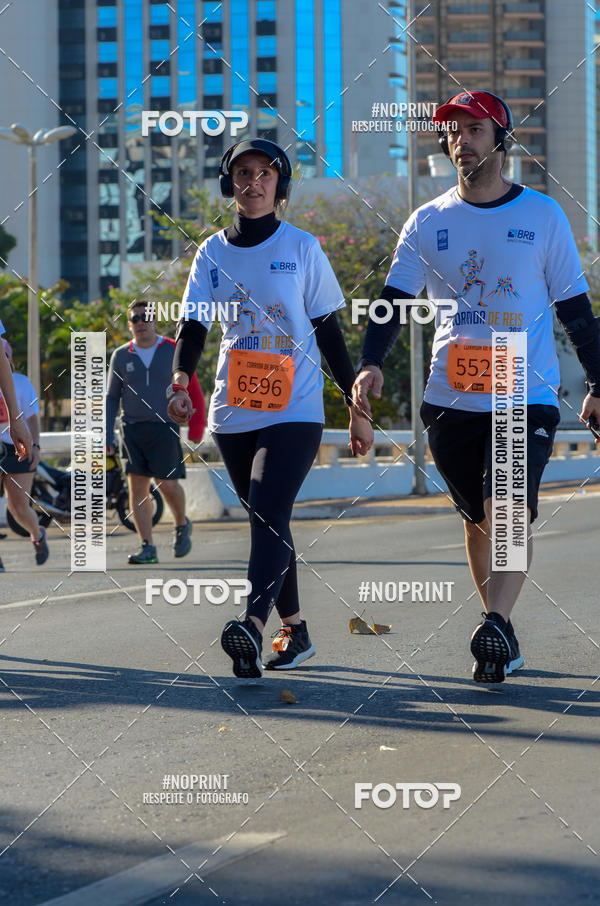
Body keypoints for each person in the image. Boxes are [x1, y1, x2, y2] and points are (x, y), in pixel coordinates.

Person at [352, 90, 600, 683]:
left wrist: (597, 381)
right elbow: (392, 303)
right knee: (477, 519)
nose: (461, 140)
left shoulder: (541, 215)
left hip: (524, 393)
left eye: (474, 130)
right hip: (450, 400)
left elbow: (576, 309)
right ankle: (503, 635)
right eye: (453, 131)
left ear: (501, 139)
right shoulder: (428, 220)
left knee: (507, 509)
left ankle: (494, 620)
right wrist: (370, 363)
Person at [168, 137, 372, 678]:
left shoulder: (302, 247)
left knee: (266, 508)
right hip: (234, 408)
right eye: (242, 173)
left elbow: (329, 329)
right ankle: (297, 630)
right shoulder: (212, 252)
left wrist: (356, 406)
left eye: (264, 173)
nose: (253, 182)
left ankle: (251, 627)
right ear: (228, 182)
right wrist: (181, 377)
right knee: (268, 519)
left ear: (279, 185)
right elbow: (194, 325)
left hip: (296, 405)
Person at [106, 300, 206, 564]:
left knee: (167, 485)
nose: (140, 322)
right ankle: (147, 546)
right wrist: (106, 437)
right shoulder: (121, 355)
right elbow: (110, 398)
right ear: (130, 324)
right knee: (137, 488)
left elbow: (193, 390)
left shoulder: (173, 350)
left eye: (145, 317)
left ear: (155, 321)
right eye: (135, 319)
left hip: (164, 427)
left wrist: (197, 427)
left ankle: (181, 524)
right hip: (132, 430)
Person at [0, 338, 48, 567]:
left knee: (18, 506)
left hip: (16, 446)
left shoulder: (20, 382)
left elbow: (31, 418)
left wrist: (36, 446)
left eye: (4, 356)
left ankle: (37, 532)